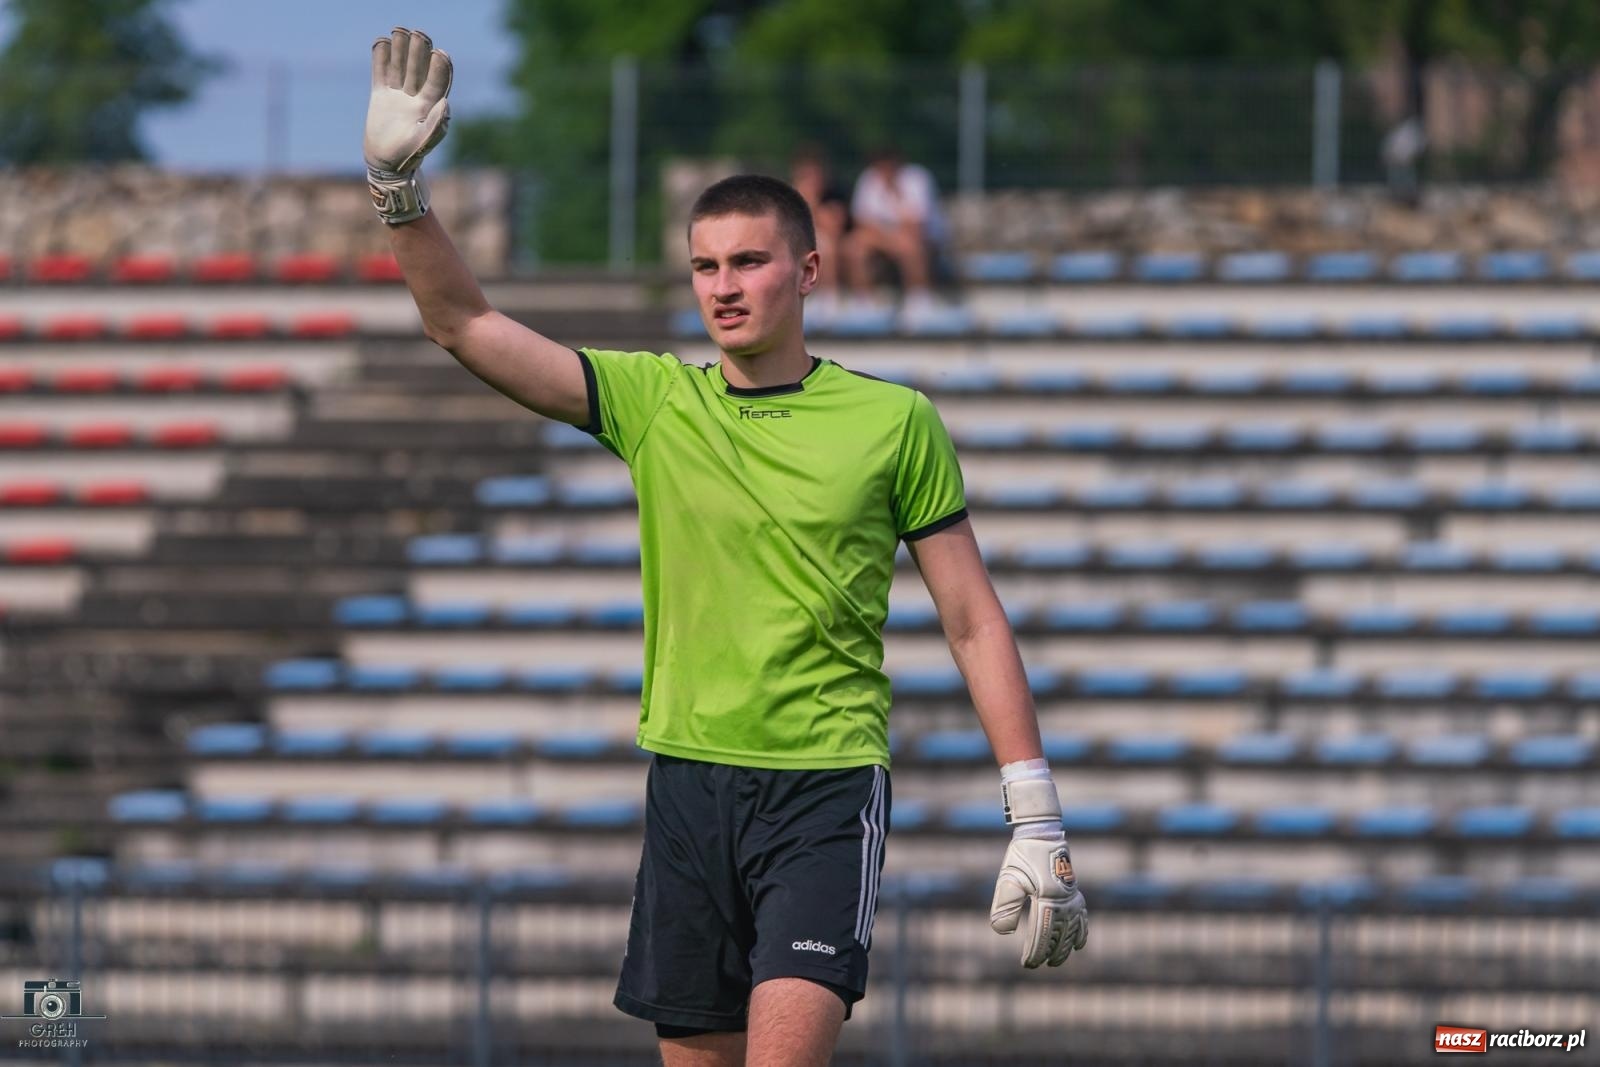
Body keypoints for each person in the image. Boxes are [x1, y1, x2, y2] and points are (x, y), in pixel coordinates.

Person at [365, 28, 1088, 1067]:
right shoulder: (657, 400)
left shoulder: (894, 419)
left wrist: (1036, 813)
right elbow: (465, 325)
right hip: (687, 788)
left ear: (808, 269)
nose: (724, 285)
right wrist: (398, 192)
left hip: (824, 785)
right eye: (705, 265)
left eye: (749, 260)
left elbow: (971, 618)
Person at [843, 147, 949, 316]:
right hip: (886, 240)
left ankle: (920, 299)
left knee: (909, 245)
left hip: (925, 241)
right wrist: (889, 239)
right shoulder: (869, 178)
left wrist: (895, 198)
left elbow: (916, 226)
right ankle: (863, 300)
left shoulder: (917, 178)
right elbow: (861, 222)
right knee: (855, 246)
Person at [788, 145, 851, 318]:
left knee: (826, 247)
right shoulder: (787, 196)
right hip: (796, 240)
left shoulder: (834, 194)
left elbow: (834, 228)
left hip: (826, 239)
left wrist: (812, 203)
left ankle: (830, 298)